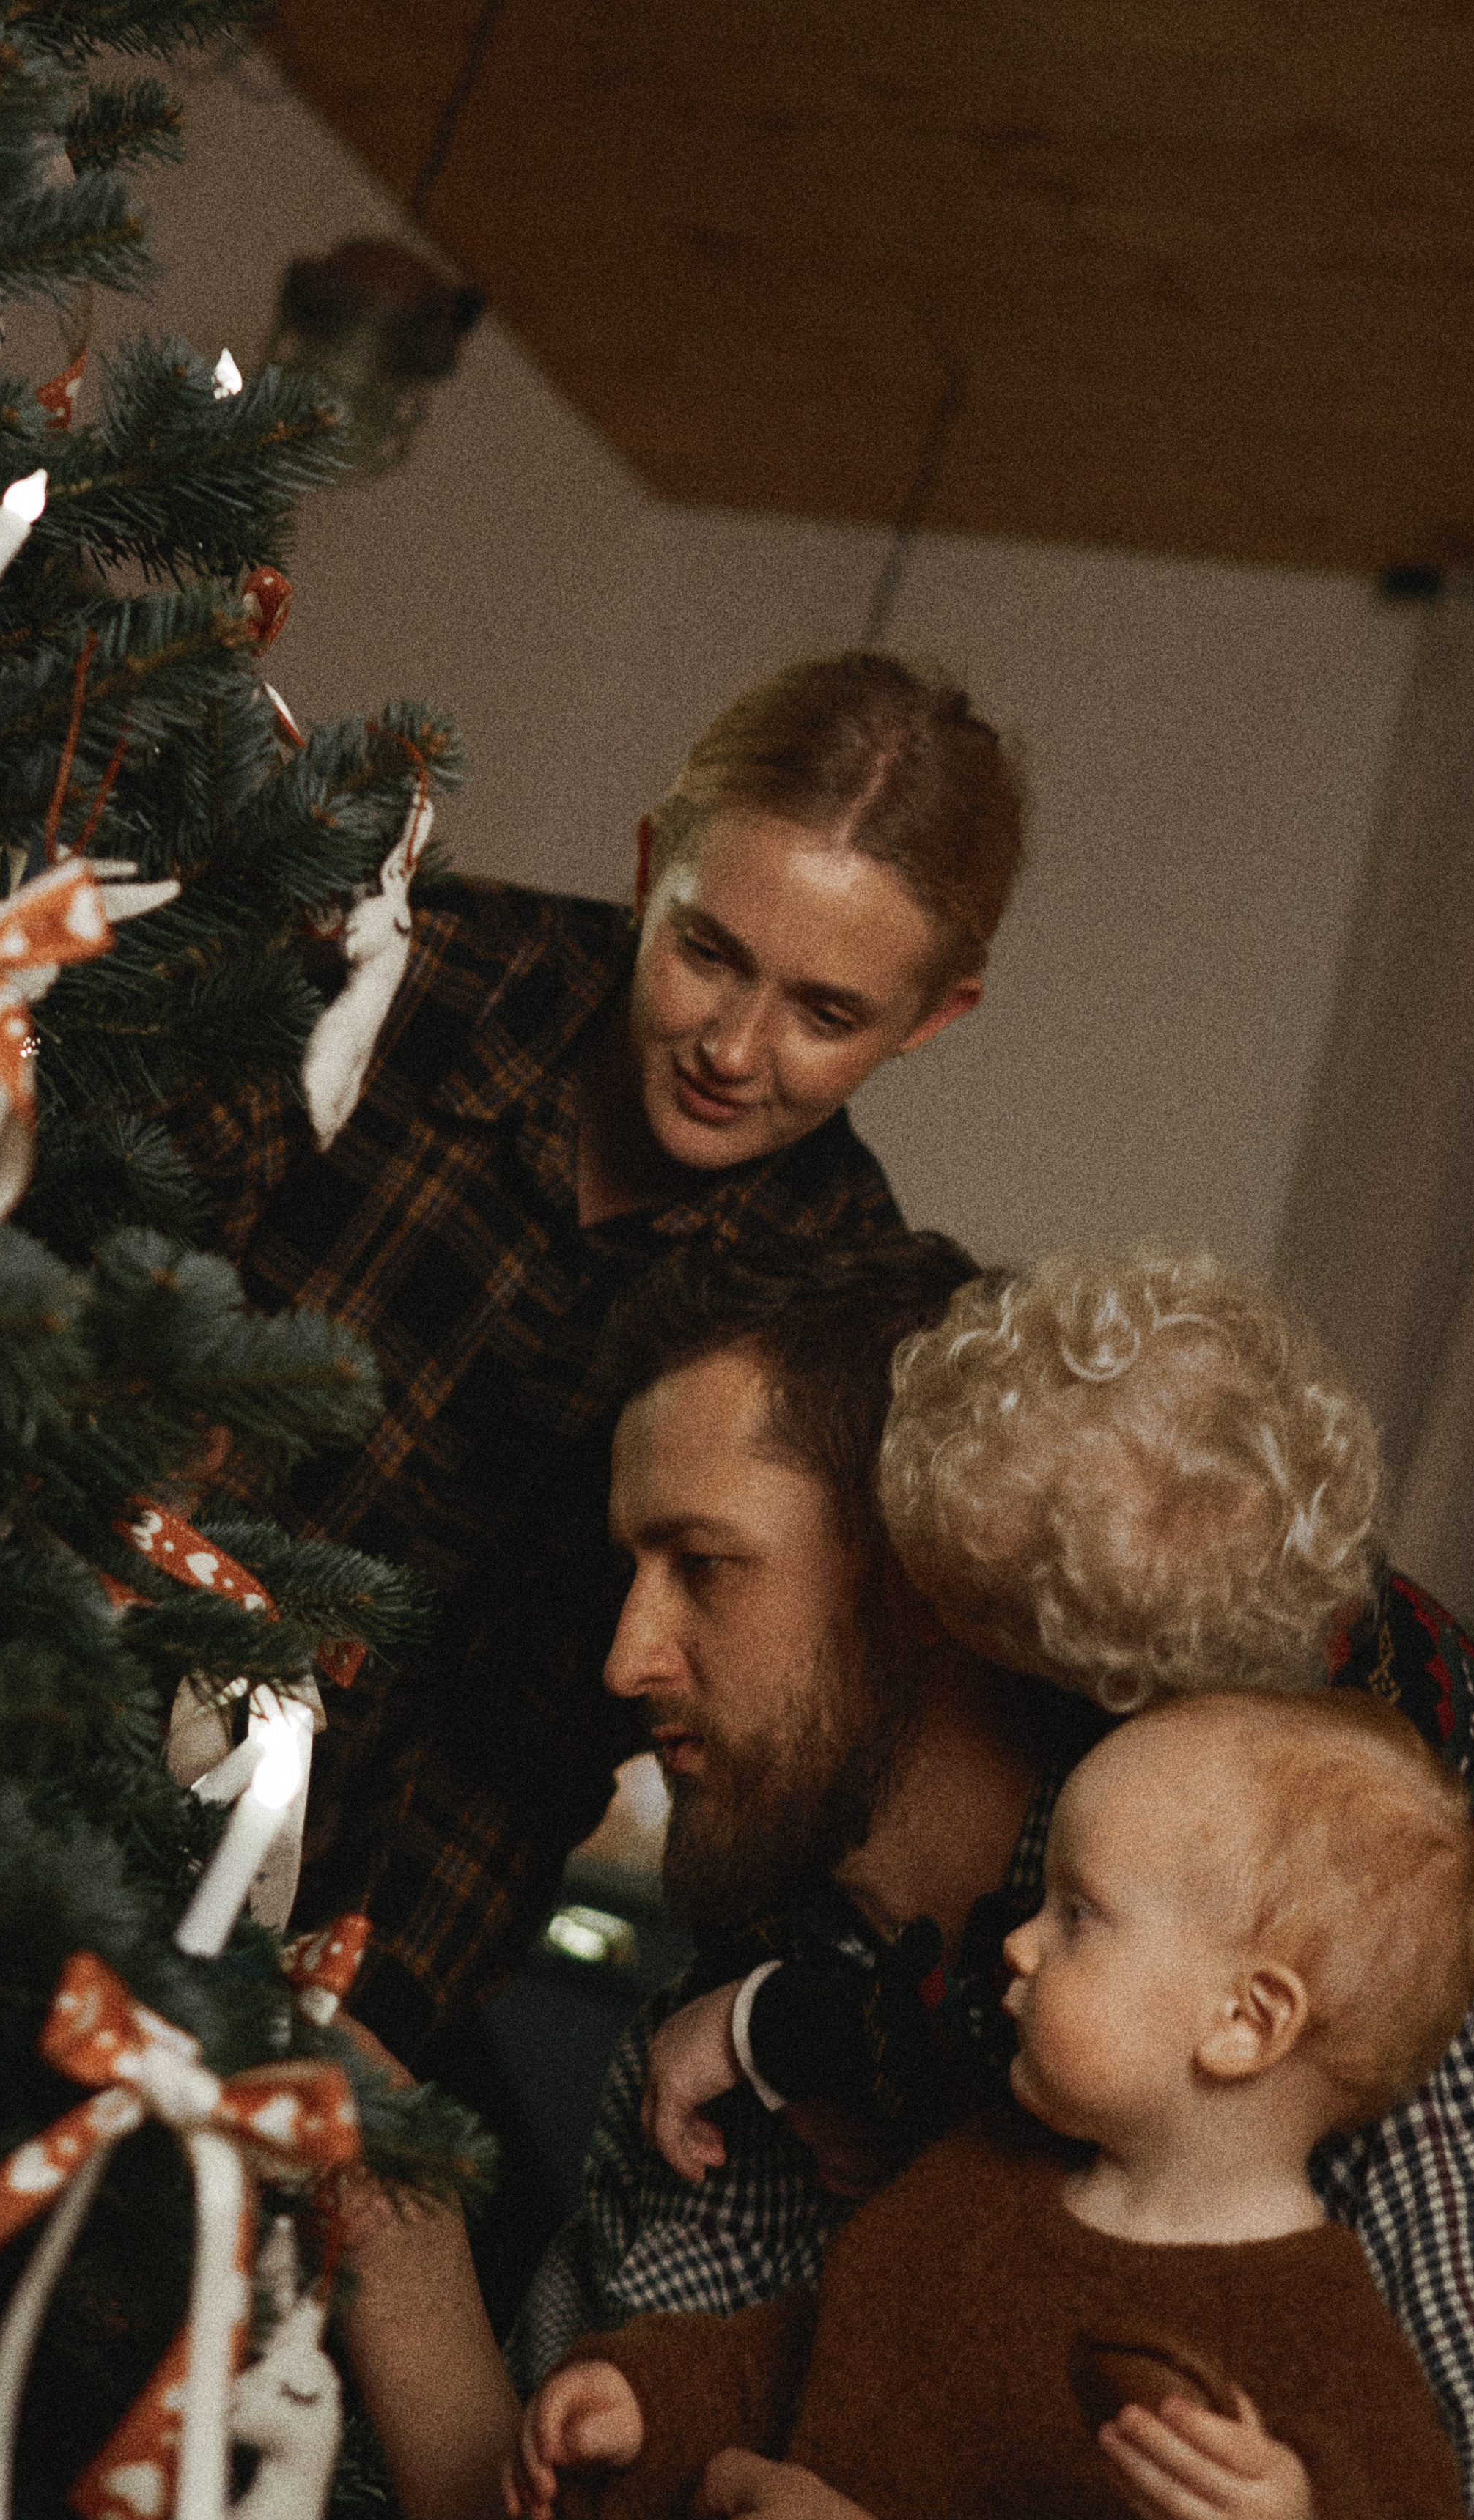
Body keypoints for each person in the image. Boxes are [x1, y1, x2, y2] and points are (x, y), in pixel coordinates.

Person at [339, 1236, 1474, 2520]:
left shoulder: (1309, 2056)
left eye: (703, 1566)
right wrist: (379, 2227)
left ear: (918, 1591)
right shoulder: (722, 2053)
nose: (625, 1660)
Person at [283, 1689, 1474, 2520]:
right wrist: (650, 2401)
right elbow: (808, 2350)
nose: (1018, 1947)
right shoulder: (980, 2179)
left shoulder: (1322, 2333)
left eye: (1078, 1918)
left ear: (1244, 2022)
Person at [170, 652, 1021, 2071]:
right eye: (707, 952)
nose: (734, 1051)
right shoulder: (396, 973)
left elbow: (532, 1754)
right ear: (647, 867)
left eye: (825, 1015)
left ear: (935, 1017)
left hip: (328, 1946)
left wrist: (372, 2019)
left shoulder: (832, 1312)